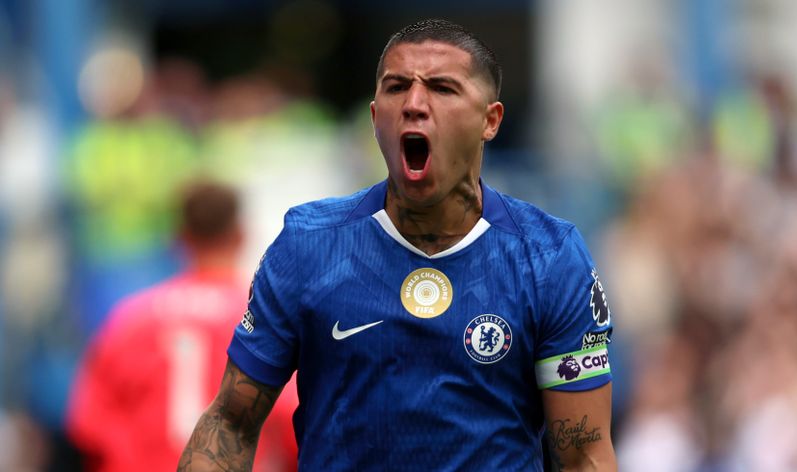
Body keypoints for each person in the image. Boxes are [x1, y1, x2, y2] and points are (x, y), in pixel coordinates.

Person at [179, 19, 616, 471]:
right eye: (396, 88)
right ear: (374, 118)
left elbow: (583, 454)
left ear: (490, 120)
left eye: (442, 88)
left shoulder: (549, 257)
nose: (413, 104)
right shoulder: (309, 246)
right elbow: (230, 423)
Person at [67, 181, 298, 472]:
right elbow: (293, 422)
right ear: (241, 235)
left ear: (180, 238)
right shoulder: (264, 315)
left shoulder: (131, 319)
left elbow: (88, 427)